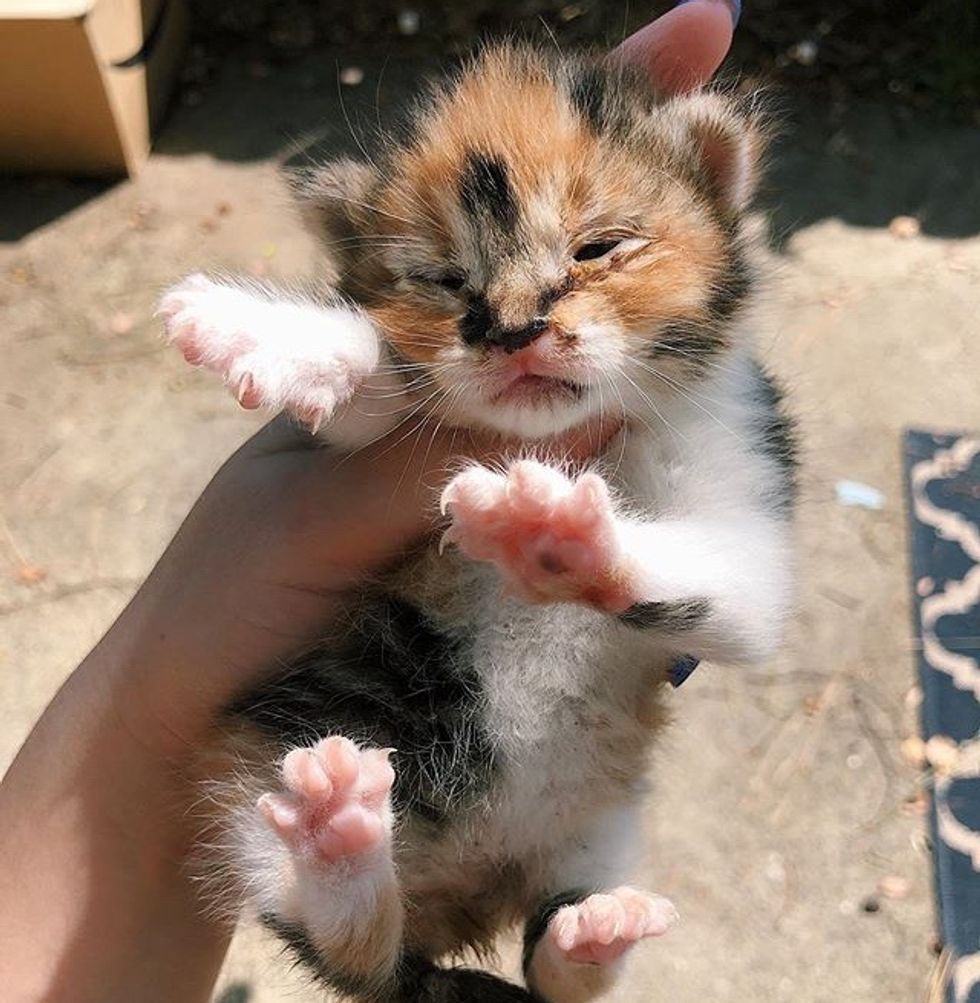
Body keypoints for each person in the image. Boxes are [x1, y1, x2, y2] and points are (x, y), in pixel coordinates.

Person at [0, 4, 740, 1000]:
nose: (517, 321)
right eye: (443, 273)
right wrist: (334, 353)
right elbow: (378, 371)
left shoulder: (683, 371)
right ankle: (370, 911)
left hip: (494, 759)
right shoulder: (422, 359)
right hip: (417, 736)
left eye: (598, 244)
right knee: (313, 804)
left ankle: (471, 929)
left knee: (407, 822)